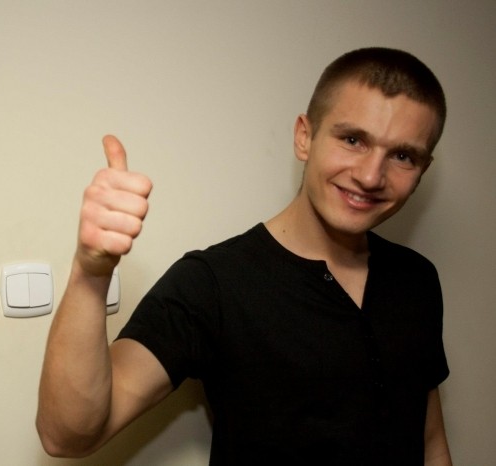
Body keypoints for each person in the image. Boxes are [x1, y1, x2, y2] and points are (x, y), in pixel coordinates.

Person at [36, 47, 452, 465]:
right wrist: (90, 273)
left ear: (423, 169)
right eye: (352, 140)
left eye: (402, 156)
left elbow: (429, 439)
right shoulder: (213, 283)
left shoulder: (417, 278)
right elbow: (66, 435)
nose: (371, 176)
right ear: (304, 137)